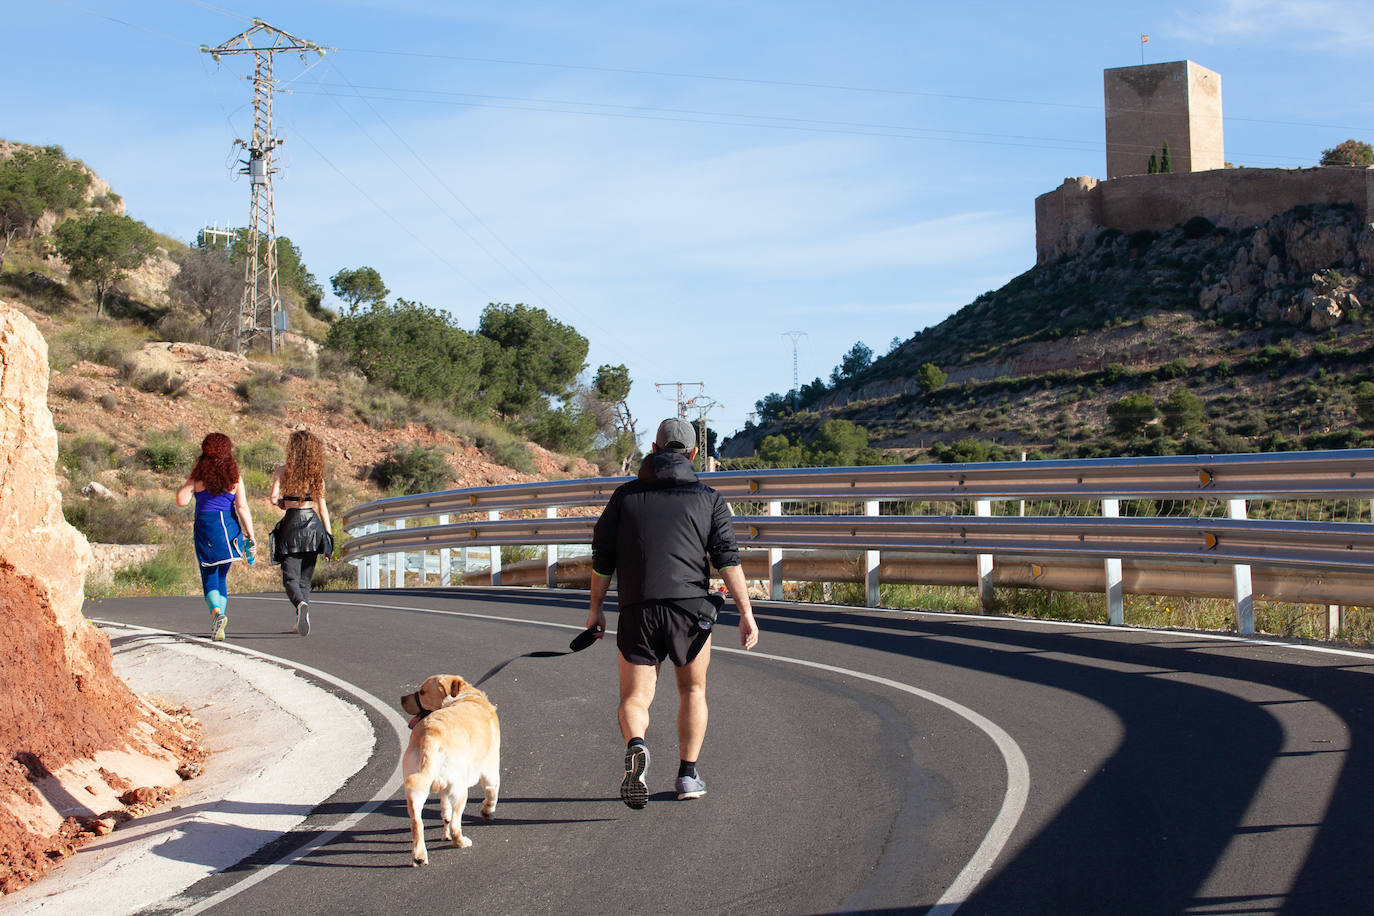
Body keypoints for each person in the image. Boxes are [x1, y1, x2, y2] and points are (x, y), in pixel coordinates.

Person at [586, 417, 759, 809]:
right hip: (689, 611)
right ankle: (687, 774)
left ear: (653, 449)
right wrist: (746, 612)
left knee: (634, 697)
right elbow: (727, 560)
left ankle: (637, 745)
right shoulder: (709, 498)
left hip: (638, 609)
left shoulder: (624, 497)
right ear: (695, 454)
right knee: (693, 690)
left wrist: (596, 609)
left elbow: (602, 560)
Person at [175, 432, 256, 642]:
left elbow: (181, 501)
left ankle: (217, 615)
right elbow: (242, 507)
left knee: (209, 577)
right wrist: (251, 535)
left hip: (207, 529)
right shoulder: (235, 479)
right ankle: (217, 623)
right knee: (221, 576)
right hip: (229, 529)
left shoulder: (198, 479)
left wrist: (191, 482)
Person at [269, 429, 333, 637]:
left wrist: (282, 502)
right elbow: (323, 509)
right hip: (313, 525)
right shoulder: (316, 476)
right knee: (305, 579)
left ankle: (300, 604)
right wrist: (329, 539)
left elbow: (273, 499)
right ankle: (301, 617)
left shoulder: (282, 471)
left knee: (290, 577)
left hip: (292, 525)